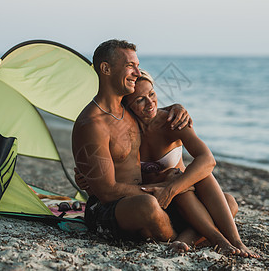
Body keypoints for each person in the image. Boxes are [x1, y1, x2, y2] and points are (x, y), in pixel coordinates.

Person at [121, 70, 259, 258]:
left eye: (151, 94)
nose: (150, 103)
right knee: (176, 178)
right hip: (154, 203)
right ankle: (212, 239)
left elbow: (208, 160)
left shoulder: (173, 120)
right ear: (126, 105)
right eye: (139, 100)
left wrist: (170, 188)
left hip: (185, 201)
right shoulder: (124, 134)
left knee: (229, 202)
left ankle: (234, 241)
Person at [72, 39, 191, 242]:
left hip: (144, 195)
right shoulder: (92, 124)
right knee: (148, 206)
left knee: (228, 202)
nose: (137, 73)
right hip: (109, 207)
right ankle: (182, 239)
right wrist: (160, 189)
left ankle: (182, 237)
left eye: (137, 65)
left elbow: (151, 110)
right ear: (106, 69)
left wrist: (176, 107)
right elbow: (107, 191)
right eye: (130, 66)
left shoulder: (127, 111)